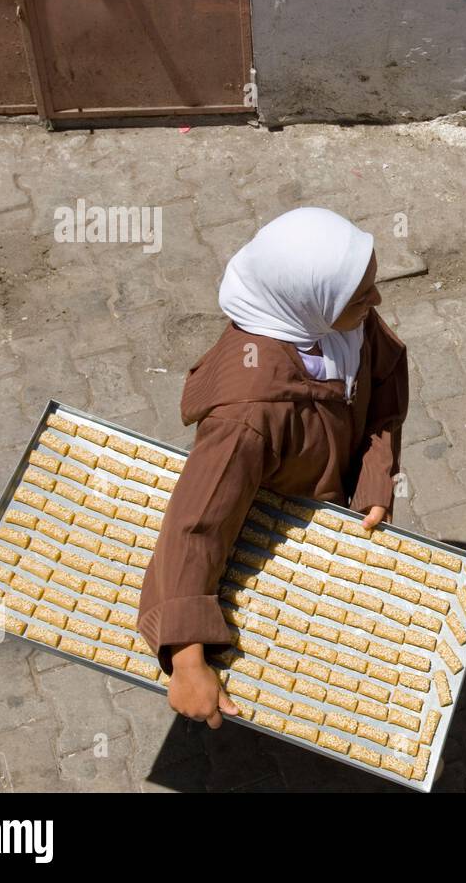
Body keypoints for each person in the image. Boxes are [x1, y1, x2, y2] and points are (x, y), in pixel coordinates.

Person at [138, 207, 408, 726]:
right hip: (280, 522)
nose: (376, 301)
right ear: (306, 301)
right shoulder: (247, 416)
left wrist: (375, 478)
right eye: (362, 295)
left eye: (370, 286)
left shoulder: (340, 319)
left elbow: (383, 389)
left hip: (330, 495)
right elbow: (197, 524)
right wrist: (187, 655)